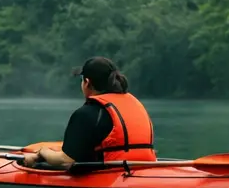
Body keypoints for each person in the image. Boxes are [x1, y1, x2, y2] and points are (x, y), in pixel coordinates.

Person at [22, 57, 155, 169]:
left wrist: (42, 153)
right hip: (143, 167)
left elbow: (65, 160)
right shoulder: (134, 104)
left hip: (110, 175)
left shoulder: (87, 113)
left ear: (87, 82)